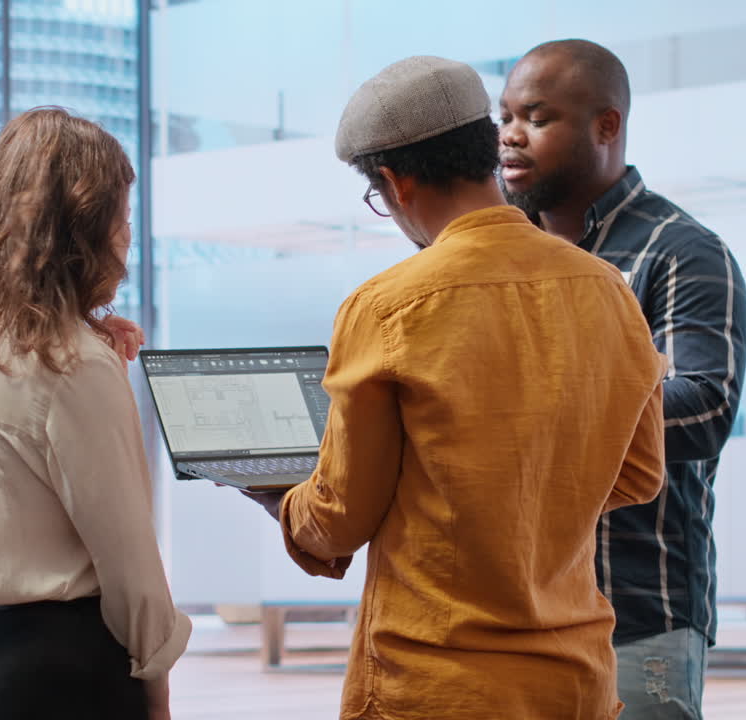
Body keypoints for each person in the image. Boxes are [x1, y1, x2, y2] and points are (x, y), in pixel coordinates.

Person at [245, 56, 668, 719]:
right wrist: (527, 498)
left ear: (394, 181)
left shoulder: (387, 306)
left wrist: (286, 504)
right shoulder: (605, 289)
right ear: (486, 152)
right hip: (576, 681)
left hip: (437, 683)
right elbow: (639, 475)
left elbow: (342, 515)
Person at [499, 40, 746, 719]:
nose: (510, 136)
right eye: (504, 117)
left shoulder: (680, 250)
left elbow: (704, 408)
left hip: (634, 617)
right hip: (511, 615)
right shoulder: (496, 254)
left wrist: (535, 407)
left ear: (606, 126)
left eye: (537, 117)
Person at [0, 106, 190, 720]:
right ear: (86, 231)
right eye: (122, 220)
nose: (127, 237)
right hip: (65, 676)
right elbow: (134, 576)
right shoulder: (77, 366)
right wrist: (158, 696)